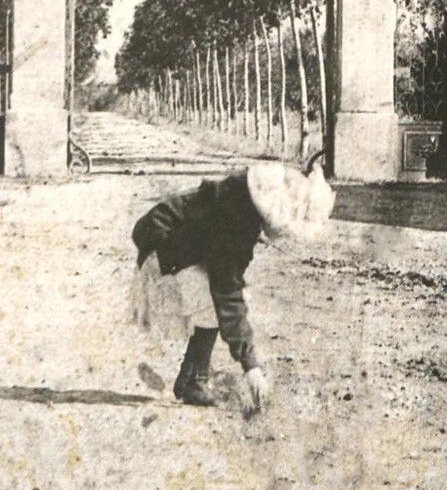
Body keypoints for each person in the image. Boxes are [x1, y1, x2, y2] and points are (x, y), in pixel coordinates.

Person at [129, 161, 334, 409]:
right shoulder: (236, 219)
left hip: (173, 240)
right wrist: (251, 365)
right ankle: (195, 380)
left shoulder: (244, 200)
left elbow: (229, 278)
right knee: (213, 297)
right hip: (163, 245)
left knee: (219, 294)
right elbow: (227, 289)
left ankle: (191, 378)